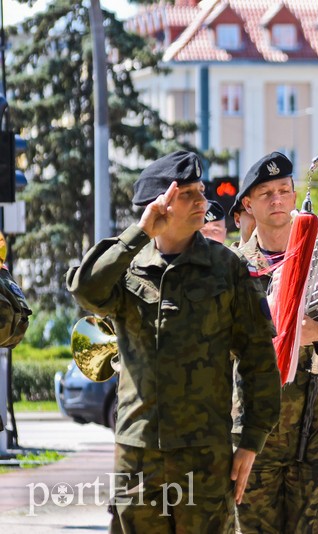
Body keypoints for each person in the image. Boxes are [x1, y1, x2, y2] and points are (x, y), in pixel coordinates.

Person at [66, 150, 281, 533]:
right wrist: (139, 234)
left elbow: (258, 358)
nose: (203, 201)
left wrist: (251, 439)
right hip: (138, 453)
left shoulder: (227, 268)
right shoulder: (127, 264)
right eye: (188, 195)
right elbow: (86, 290)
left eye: (202, 191)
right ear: (158, 206)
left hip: (205, 455)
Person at [232, 152, 318, 534]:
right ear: (248, 204)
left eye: (284, 191)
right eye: (266, 193)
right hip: (252, 432)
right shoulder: (233, 268)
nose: (277, 200)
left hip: (313, 431)